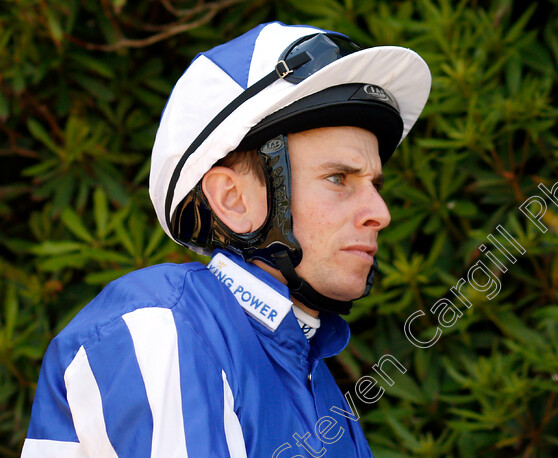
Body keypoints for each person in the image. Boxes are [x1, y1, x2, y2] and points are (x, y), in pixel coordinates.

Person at [22, 21, 431, 457]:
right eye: (338, 178)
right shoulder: (165, 328)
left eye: (375, 185)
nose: (381, 214)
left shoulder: (313, 372)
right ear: (233, 199)